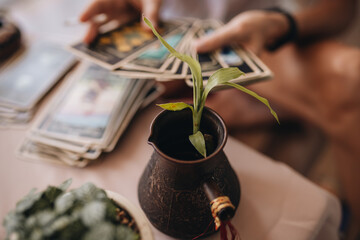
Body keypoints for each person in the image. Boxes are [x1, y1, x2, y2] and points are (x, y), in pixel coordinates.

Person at [79, 0, 360, 225]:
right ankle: (259, 107)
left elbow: (341, 8)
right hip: (165, 41)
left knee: (352, 79)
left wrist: (281, 23)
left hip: (249, 41)